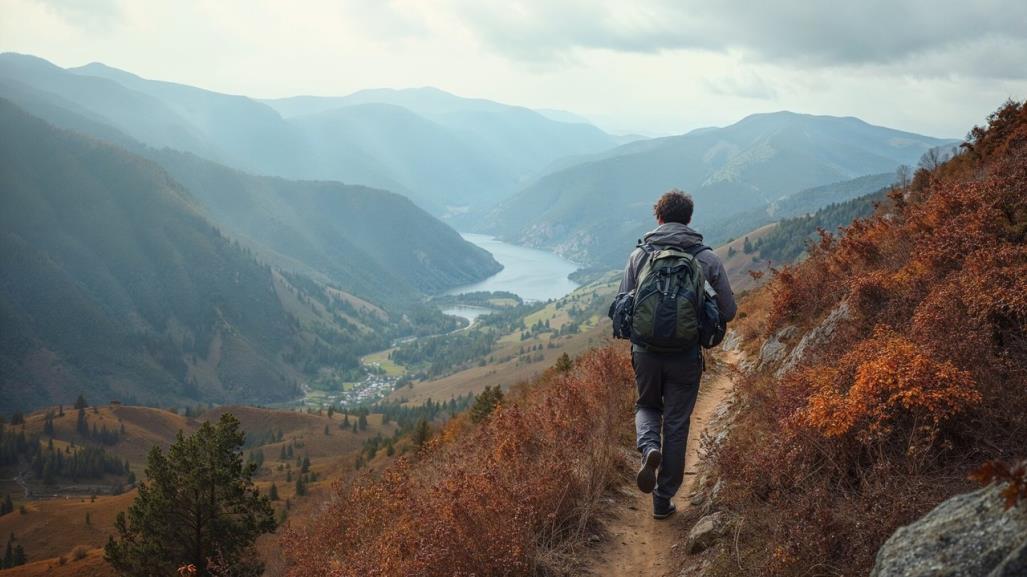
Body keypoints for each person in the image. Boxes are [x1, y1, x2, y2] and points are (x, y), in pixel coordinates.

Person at [618, 189, 737, 519]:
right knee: (676, 423)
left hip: (645, 353)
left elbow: (622, 306)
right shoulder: (706, 258)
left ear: (658, 218)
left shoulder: (639, 256)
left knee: (646, 405)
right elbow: (728, 311)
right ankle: (663, 498)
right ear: (689, 219)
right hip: (685, 355)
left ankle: (649, 447)